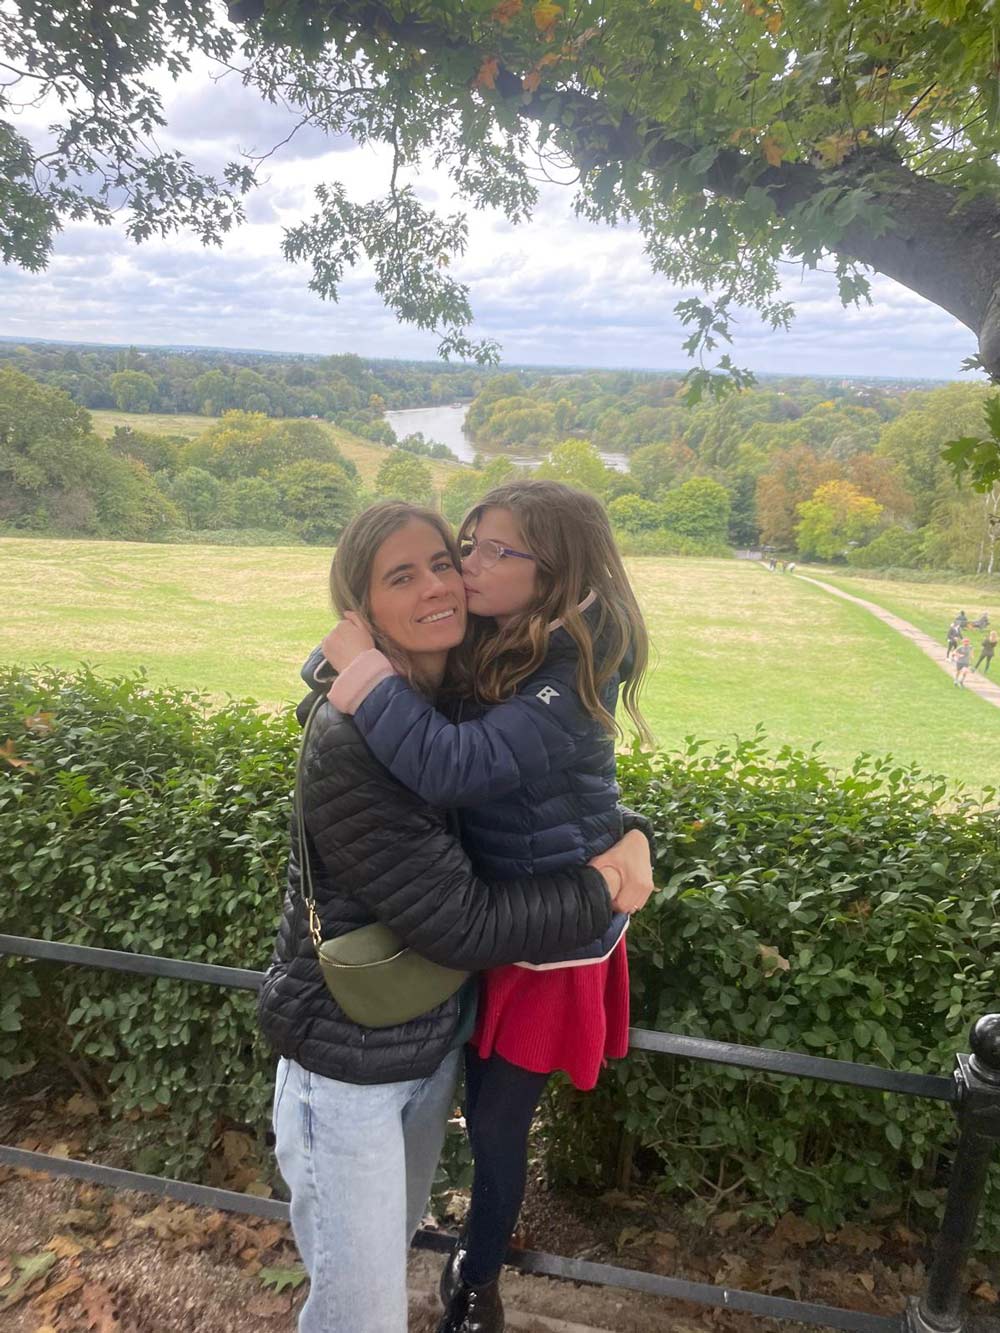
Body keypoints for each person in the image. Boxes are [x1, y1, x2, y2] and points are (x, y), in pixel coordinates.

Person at [258, 501, 654, 1333]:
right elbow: (462, 925)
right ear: (357, 614)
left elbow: (562, 769)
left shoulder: (458, 675)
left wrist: (629, 832)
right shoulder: (356, 741)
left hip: (421, 1039)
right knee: (360, 1315)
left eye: (448, 559)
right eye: (404, 575)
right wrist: (605, 883)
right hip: (349, 1070)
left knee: (382, 1261)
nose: (448, 580)